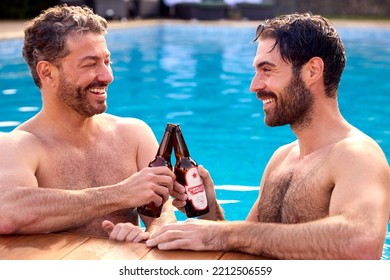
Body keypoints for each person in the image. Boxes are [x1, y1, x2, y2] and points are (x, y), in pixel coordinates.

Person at [144, 13, 390, 259]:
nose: (254, 85)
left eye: (267, 70)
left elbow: (362, 243)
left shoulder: (357, 155)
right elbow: (250, 241)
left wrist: (224, 234)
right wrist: (210, 213)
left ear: (312, 71)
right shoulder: (281, 159)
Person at [0, 4, 177, 242]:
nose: (107, 76)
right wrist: (120, 193)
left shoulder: (134, 134)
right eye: (90, 64)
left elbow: (163, 216)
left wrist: (150, 237)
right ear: (48, 73)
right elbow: (6, 213)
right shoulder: (18, 146)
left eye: (107, 61)